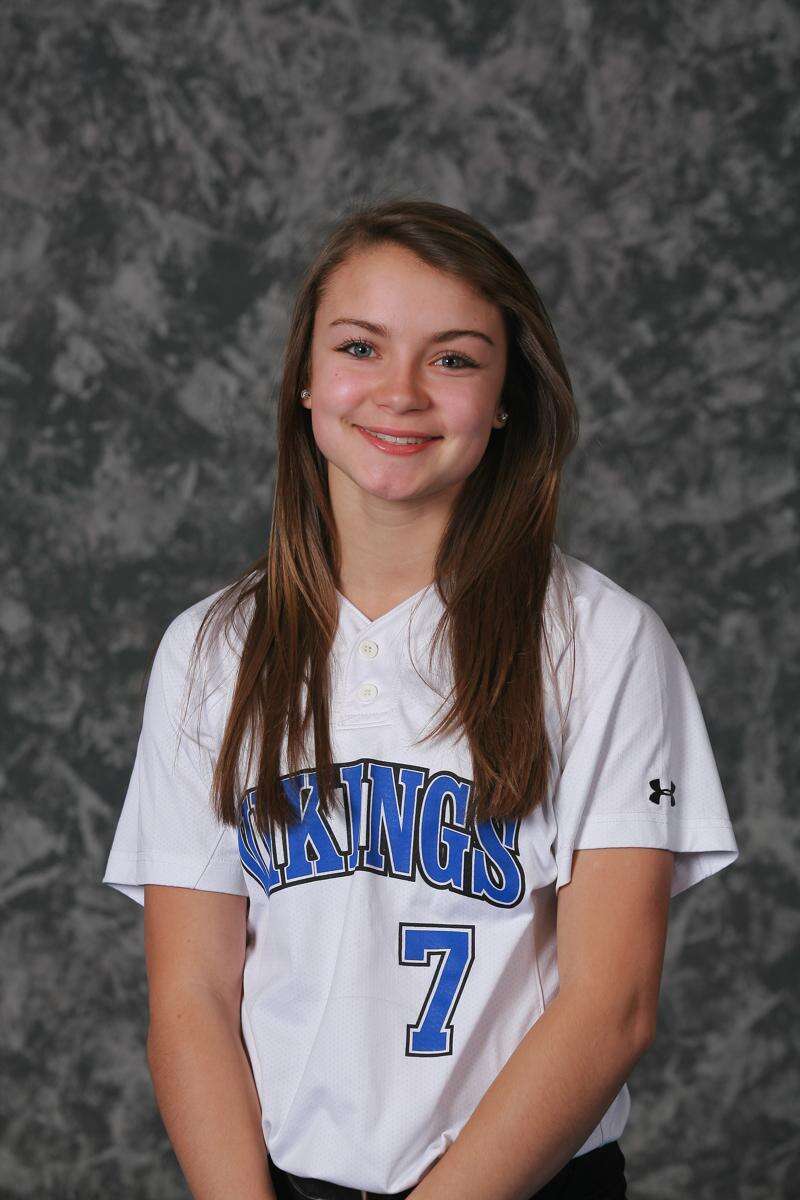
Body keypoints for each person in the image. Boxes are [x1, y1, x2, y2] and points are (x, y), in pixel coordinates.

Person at [101, 197, 740, 1200]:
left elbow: (610, 1008)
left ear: (503, 400)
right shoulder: (211, 650)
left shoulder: (603, 642)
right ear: (306, 381)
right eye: (360, 347)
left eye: (452, 359)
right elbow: (190, 1000)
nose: (398, 393)